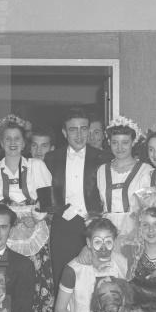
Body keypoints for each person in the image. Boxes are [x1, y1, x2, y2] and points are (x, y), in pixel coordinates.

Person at [0, 115, 55, 312]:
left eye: (17, 139)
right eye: (8, 139)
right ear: (1, 143)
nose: (12, 143)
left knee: (34, 278)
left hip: (34, 232)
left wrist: (36, 218)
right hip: (5, 233)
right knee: (8, 278)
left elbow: (49, 204)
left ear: (24, 144)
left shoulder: (37, 166)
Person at [45, 107, 113, 289]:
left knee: (94, 280)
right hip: (62, 226)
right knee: (63, 279)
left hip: (94, 225)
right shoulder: (51, 158)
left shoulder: (104, 158)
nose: (79, 134)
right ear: (64, 132)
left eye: (83, 128)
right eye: (73, 129)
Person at [96, 116, 152, 237]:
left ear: (133, 142)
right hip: (107, 232)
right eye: (115, 142)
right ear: (109, 142)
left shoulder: (145, 170)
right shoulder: (101, 170)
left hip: (134, 232)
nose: (119, 148)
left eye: (125, 142)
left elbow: (149, 208)